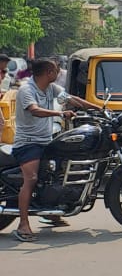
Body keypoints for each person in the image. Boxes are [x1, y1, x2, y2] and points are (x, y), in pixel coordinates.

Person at [11, 58, 95, 242]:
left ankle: (51, 211)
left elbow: (72, 98)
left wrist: (100, 108)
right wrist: (59, 113)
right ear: (49, 72)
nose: (59, 74)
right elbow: (34, 110)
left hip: (46, 140)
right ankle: (23, 224)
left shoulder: (50, 88)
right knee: (31, 179)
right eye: (57, 70)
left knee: (59, 172)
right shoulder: (27, 89)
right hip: (28, 143)